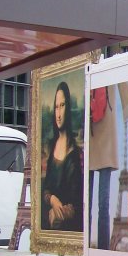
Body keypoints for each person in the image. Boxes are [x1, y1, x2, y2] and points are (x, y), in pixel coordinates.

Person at [88, 82, 128, 249]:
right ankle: (96, 249)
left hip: (96, 129)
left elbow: (123, 85)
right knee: (100, 204)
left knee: (99, 204)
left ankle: (101, 251)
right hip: (92, 131)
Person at [42, 81, 83, 232]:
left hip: (68, 226)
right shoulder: (51, 146)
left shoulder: (75, 153)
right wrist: (52, 200)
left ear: (69, 108)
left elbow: (78, 202)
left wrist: (60, 213)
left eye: (62, 105)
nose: (58, 114)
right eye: (56, 107)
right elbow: (45, 189)